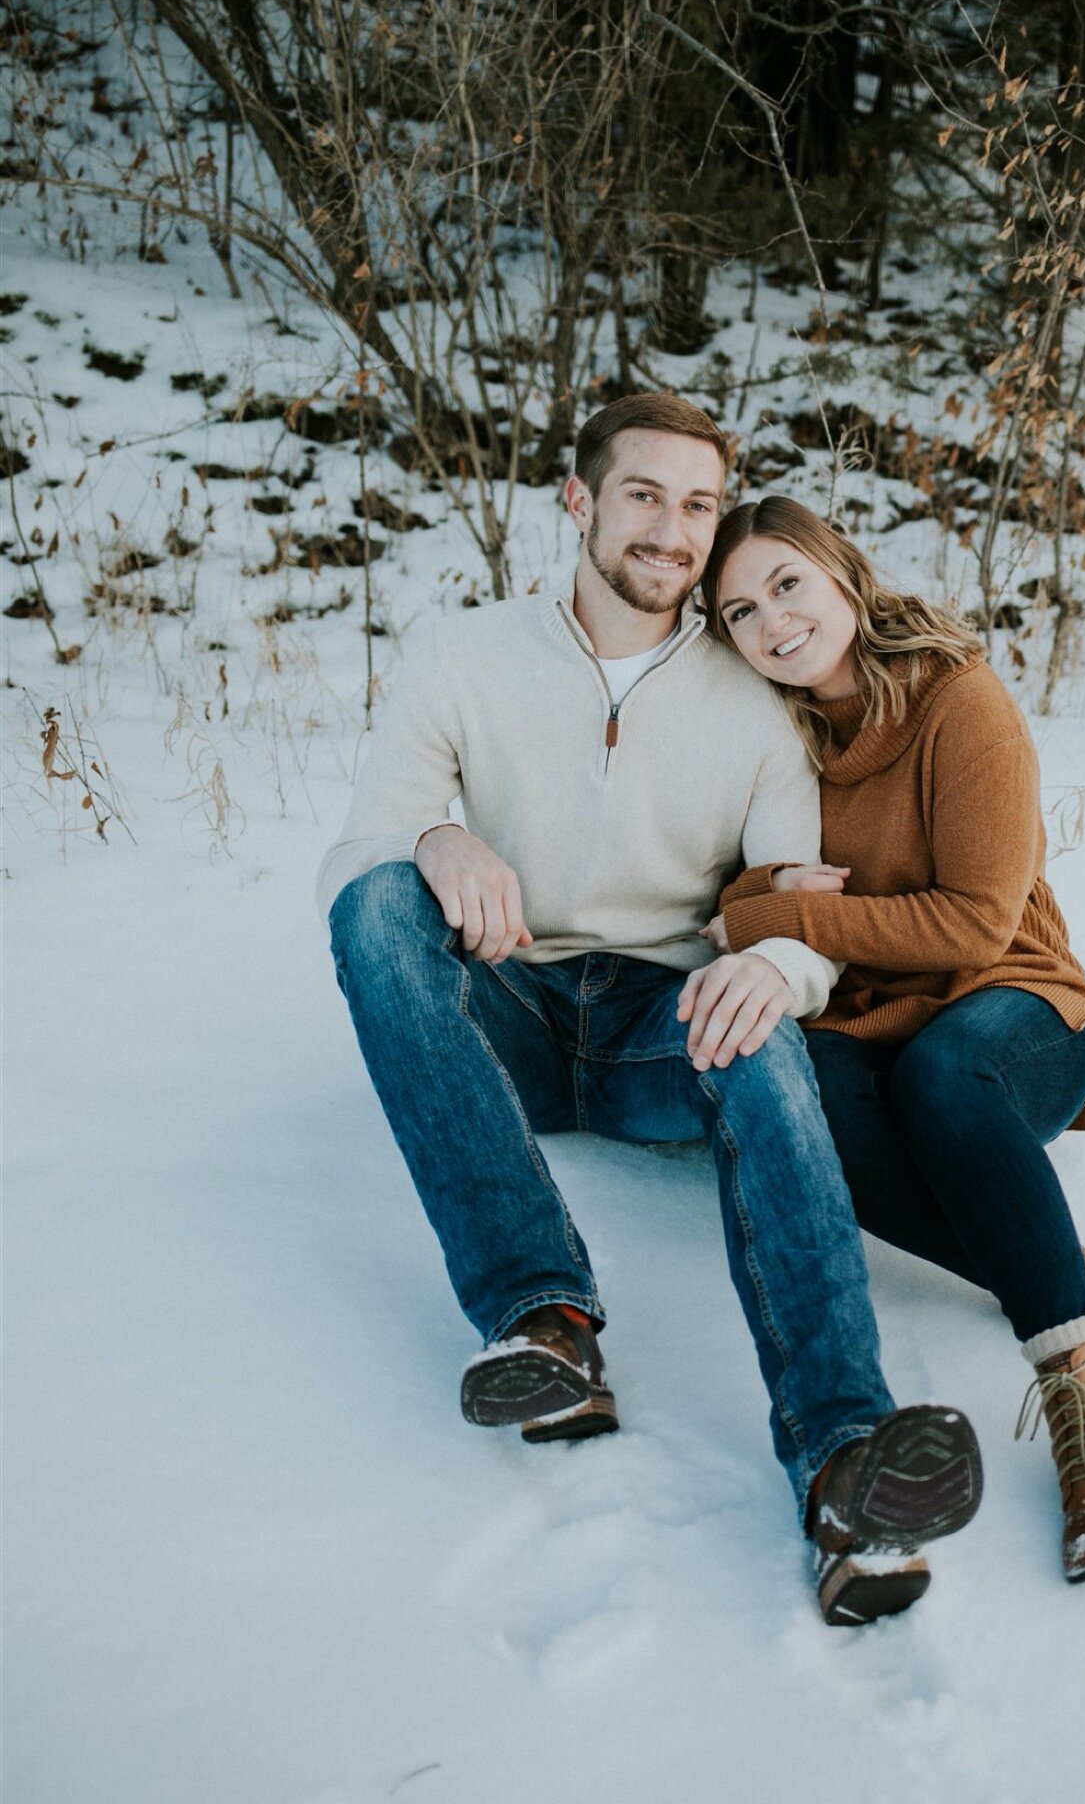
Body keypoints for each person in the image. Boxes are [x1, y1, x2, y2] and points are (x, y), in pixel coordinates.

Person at [318, 394, 982, 1627]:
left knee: (762, 1030)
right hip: (500, 994)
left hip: (653, 1025)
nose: (672, 530)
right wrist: (434, 834)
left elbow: (800, 899)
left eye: (696, 505)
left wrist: (775, 970)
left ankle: (845, 1459)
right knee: (370, 906)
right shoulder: (462, 651)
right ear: (580, 500)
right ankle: (545, 1324)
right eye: (643, 495)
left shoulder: (755, 700)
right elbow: (363, 838)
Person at [702, 495, 1085, 1582]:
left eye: (787, 584)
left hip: (1019, 1011)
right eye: (740, 611)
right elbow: (725, 897)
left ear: (840, 573)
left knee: (943, 1077)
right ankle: (1083, 1279)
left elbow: (972, 920)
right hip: (877, 1021)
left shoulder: (957, 702)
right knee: (792, 1096)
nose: (773, 623)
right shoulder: (766, 740)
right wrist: (754, 905)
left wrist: (781, 913)